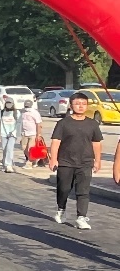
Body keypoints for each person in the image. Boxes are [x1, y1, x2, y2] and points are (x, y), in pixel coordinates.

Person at [49, 91, 103, 230]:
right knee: (64, 188)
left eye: (83, 104)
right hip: (65, 162)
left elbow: (96, 143)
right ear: (71, 105)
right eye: (77, 103)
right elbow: (55, 142)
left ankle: (81, 217)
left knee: (83, 191)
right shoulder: (63, 123)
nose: (80, 106)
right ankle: (61, 209)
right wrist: (53, 159)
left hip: (85, 162)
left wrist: (98, 160)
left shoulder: (92, 124)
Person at [0, 98, 20, 172]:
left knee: (9, 149)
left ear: (13, 104)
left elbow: (20, 122)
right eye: (7, 103)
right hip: (4, 133)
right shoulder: (1, 112)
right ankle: (5, 163)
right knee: (4, 149)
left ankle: (8, 165)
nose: (8, 104)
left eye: (10, 103)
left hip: (13, 134)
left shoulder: (16, 112)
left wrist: (18, 133)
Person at [19, 99, 43, 166]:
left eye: (28, 106)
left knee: (31, 148)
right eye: (26, 106)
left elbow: (39, 124)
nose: (27, 108)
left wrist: (39, 134)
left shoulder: (35, 113)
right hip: (24, 133)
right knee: (24, 147)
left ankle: (29, 163)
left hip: (33, 133)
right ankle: (33, 160)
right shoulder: (22, 112)